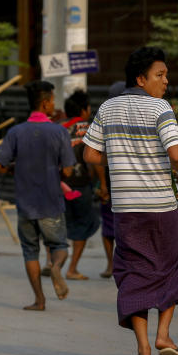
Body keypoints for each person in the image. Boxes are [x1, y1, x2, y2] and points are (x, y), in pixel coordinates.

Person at [83, 47, 178, 355]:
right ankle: (164, 335)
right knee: (170, 267)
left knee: (134, 273)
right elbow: (175, 155)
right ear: (141, 79)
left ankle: (144, 352)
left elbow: (90, 156)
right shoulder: (160, 108)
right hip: (160, 206)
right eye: (160, 75)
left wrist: (119, 161)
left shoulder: (107, 108)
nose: (166, 81)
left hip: (126, 209)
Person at [0, 80, 74, 310]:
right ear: (46, 103)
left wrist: (14, 169)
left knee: (30, 251)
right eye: (52, 101)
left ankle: (39, 300)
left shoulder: (16, 132)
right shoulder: (59, 132)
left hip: (26, 203)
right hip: (51, 201)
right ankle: (56, 267)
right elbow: (68, 169)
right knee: (59, 246)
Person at [61, 89, 100, 280]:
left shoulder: (58, 128)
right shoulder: (89, 128)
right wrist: (103, 186)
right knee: (84, 224)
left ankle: (51, 262)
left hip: (59, 185)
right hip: (81, 185)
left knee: (60, 224)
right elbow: (95, 159)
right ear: (84, 110)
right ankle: (72, 268)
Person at [95, 80, 127, 278]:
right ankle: (111, 264)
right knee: (110, 225)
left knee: (116, 226)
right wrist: (104, 185)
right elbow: (96, 157)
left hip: (124, 183)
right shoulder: (105, 122)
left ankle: (116, 265)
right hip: (113, 182)